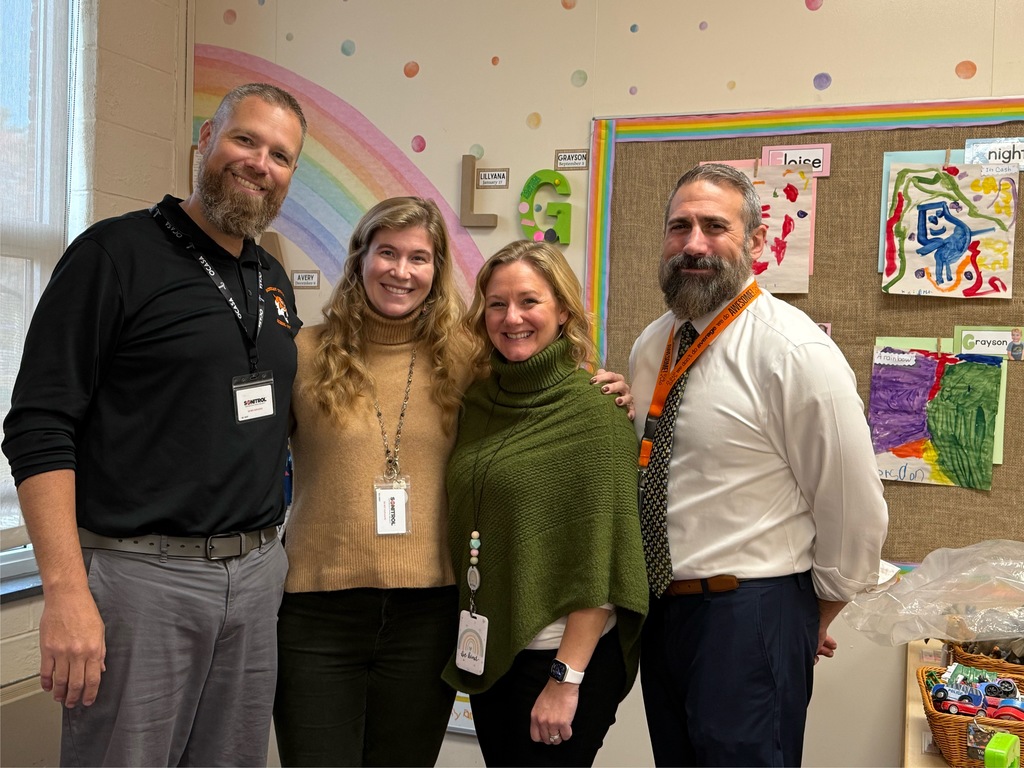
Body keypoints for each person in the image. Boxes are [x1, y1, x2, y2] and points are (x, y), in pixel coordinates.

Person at [1, 82, 307, 766]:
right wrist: (65, 591)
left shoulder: (272, 277)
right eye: (245, 140)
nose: (261, 163)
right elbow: (38, 425)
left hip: (257, 576)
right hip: (143, 578)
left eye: (281, 156)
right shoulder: (113, 255)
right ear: (205, 140)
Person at [274, 201, 632, 767]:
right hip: (318, 613)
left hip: (427, 615)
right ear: (359, 259)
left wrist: (600, 385)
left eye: (420, 257)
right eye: (387, 252)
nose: (401, 270)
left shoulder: (466, 358)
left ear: (437, 270)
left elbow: (539, 385)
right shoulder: (301, 354)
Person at [629, 163, 888, 767]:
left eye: (714, 226)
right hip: (663, 615)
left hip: (751, 613)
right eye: (679, 227)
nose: (693, 243)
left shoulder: (794, 351)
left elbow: (855, 507)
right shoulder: (652, 345)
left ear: (755, 242)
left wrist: (810, 613)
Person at [443, 240, 649, 767]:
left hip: (560, 664)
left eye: (529, 302)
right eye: (496, 303)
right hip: (497, 655)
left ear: (563, 311)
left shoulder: (596, 415)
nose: (512, 317)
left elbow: (604, 562)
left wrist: (566, 678)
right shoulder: (479, 402)